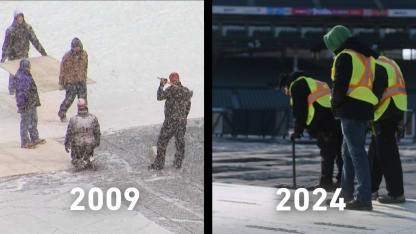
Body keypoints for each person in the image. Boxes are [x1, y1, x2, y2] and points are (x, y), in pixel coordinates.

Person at [323, 25, 379, 210]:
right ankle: (345, 195)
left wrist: (334, 105)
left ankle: (363, 198)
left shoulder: (345, 56)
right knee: (348, 153)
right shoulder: (366, 56)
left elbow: (340, 85)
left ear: (336, 41)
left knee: (356, 153)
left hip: (350, 109)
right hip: (364, 108)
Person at [278, 71, 343, 191]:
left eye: (284, 91)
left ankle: (326, 183)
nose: (287, 94)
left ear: (286, 85)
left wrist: (297, 131)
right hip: (336, 118)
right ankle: (342, 182)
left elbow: (300, 111)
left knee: (327, 152)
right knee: (339, 152)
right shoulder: (313, 82)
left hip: (323, 122)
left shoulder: (297, 86)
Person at [369, 55, 407, 203]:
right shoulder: (391, 62)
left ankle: (396, 193)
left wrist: (366, 112)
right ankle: (371, 189)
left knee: (387, 153)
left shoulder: (376, 66)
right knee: (376, 150)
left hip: (385, 110)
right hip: (396, 107)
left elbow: (375, 95)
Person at [149, 72, 193, 170]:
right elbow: (188, 106)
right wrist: (184, 117)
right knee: (180, 143)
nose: (173, 81)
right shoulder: (185, 91)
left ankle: (159, 165)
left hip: (170, 123)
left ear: (176, 80)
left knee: (162, 142)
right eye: (172, 79)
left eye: (174, 79)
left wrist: (161, 85)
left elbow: (159, 97)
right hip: (181, 123)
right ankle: (178, 164)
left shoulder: (171, 90)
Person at [1, 10, 47, 95]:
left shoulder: (27, 28)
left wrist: (43, 52)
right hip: (13, 57)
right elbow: (6, 45)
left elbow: (35, 41)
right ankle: (12, 92)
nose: (20, 19)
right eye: (18, 17)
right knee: (13, 74)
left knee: (25, 74)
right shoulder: (10, 31)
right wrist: (3, 58)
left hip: (24, 56)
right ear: (15, 19)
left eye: (21, 17)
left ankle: (24, 91)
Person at [14, 59, 46, 148]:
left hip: (31, 102)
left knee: (33, 120)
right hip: (26, 103)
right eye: (27, 67)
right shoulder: (21, 77)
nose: (28, 69)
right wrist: (21, 105)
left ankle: (34, 138)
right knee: (25, 123)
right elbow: (20, 93)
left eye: (28, 67)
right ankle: (25, 142)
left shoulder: (26, 75)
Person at [64, 98, 100, 170]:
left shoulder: (73, 119)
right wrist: (96, 142)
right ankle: (88, 158)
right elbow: (97, 132)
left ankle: (78, 160)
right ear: (86, 106)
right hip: (90, 144)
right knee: (89, 149)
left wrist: (67, 143)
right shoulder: (93, 118)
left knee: (76, 154)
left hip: (78, 144)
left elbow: (69, 133)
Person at [58, 37, 88, 122]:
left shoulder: (84, 54)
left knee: (83, 99)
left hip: (81, 80)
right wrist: (61, 82)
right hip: (71, 82)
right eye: (75, 47)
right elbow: (62, 70)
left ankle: (84, 114)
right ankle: (62, 113)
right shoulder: (67, 57)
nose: (76, 49)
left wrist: (84, 77)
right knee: (69, 99)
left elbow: (85, 67)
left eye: (78, 46)